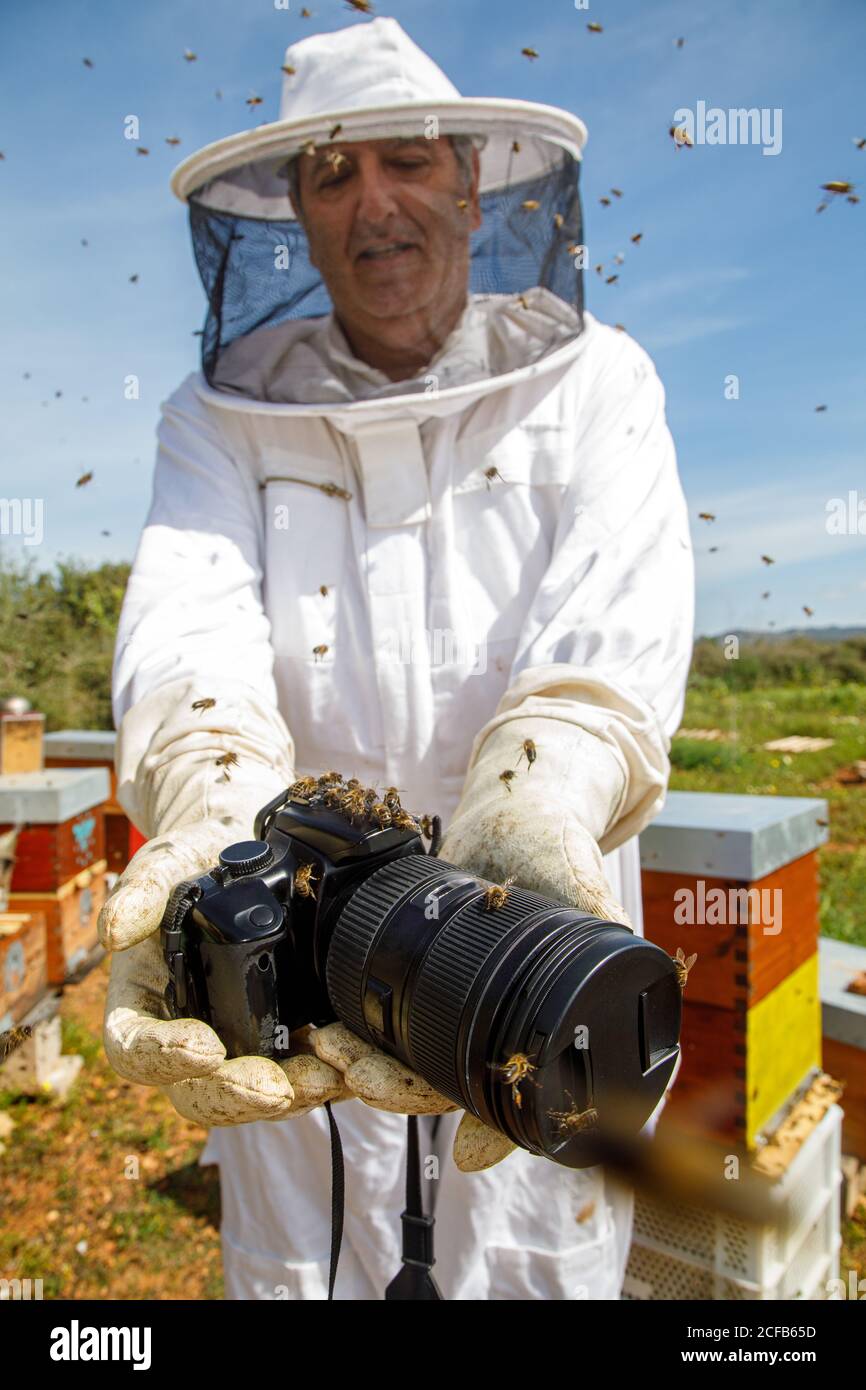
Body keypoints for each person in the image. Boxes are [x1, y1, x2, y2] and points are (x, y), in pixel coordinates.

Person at [98, 15, 694, 1300]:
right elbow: (186, 627)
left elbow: (613, 634)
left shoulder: (596, 386)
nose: (372, 200)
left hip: (530, 979)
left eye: (408, 159)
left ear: (474, 189)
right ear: (293, 220)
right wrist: (208, 803)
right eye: (330, 173)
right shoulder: (218, 421)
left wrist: (547, 783)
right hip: (300, 1037)